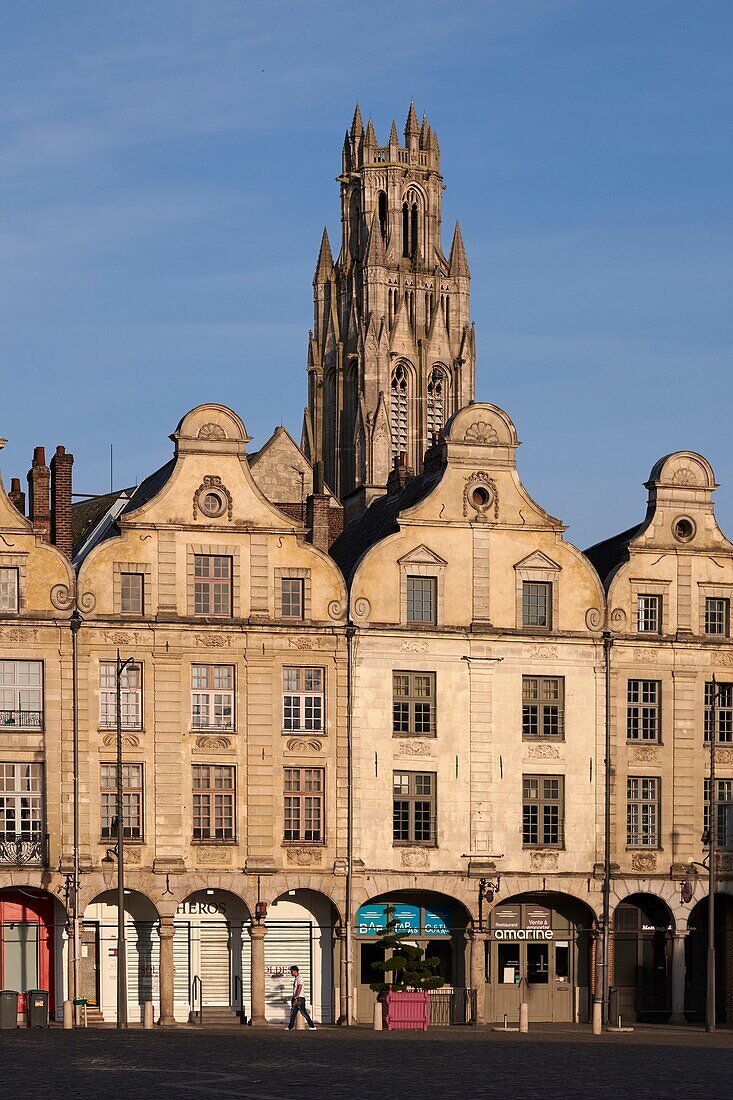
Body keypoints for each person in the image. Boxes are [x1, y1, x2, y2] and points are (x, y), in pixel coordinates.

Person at [286, 965, 316, 1030]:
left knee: (303, 1013)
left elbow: (299, 987)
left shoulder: (300, 978)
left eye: (291, 972)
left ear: (295, 971)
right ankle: (290, 1027)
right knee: (293, 1013)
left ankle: (312, 1026)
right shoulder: (296, 979)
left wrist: (296, 997)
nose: (291, 973)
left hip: (300, 998)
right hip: (297, 998)